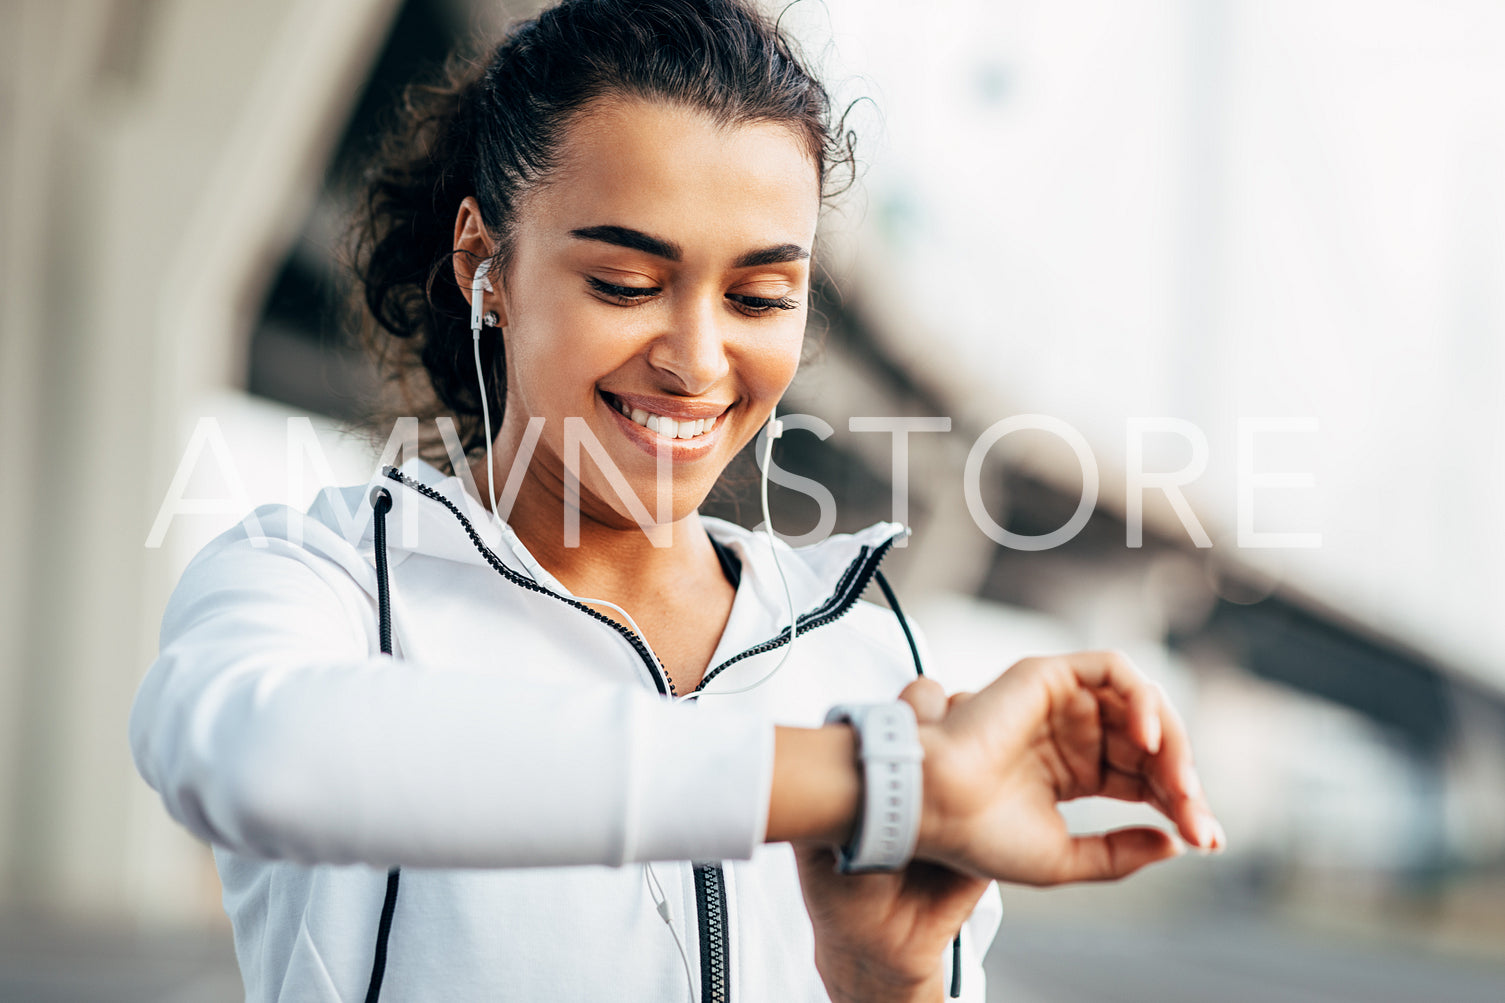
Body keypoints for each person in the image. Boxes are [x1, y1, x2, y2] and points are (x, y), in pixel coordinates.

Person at [128, 1, 1225, 1001]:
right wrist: (862, 782)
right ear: (485, 264)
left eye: (759, 295)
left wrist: (882, 976)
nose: (697, 360)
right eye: (624, 283)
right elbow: (262, 759)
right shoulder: (322, 579)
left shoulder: (862, 642)